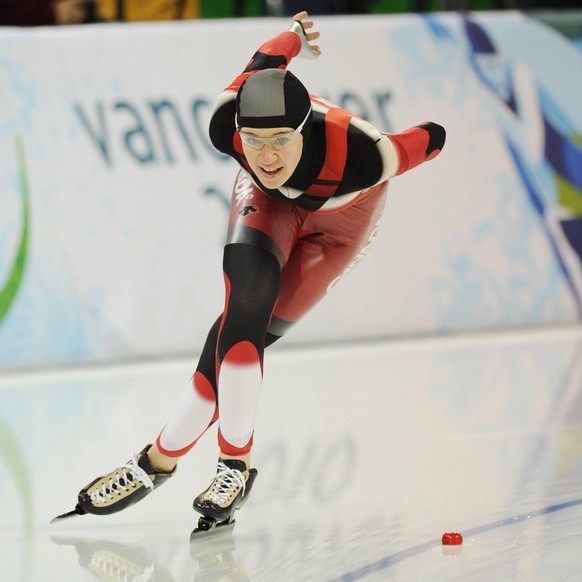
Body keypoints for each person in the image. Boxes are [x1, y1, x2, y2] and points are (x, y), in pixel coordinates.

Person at [66, 11, 445, 529]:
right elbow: (269, 57)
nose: (267, 156)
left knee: (244, 337)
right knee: (243, 307)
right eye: (255, 141)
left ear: (305, 131)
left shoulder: (365, 154)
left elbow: (430, 137)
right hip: (269, 206)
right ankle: (234, 465)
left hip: (340, 226)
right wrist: (294, 34)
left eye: (281, 140)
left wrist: (436, 131)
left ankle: (158, 459)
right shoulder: (227, 123)